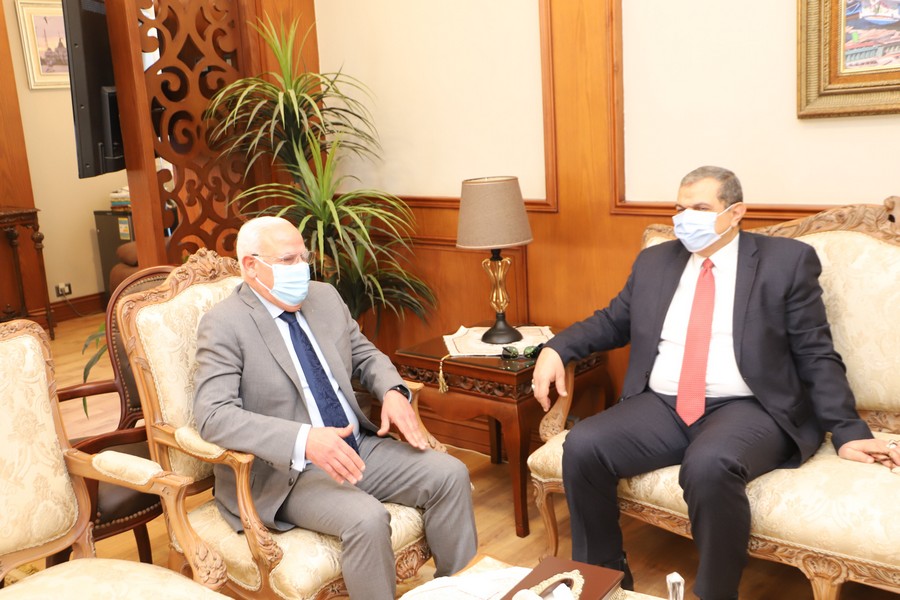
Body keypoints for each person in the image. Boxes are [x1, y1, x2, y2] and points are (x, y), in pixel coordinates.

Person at [530, 166, 900, 600]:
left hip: (750, 407)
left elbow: (815, 352)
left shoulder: (785, 262)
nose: (685, 219)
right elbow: (612, 321)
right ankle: (601, 578)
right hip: (663, 404)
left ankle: (715, 594)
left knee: (709, 464)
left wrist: (850, 431)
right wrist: (556, 348)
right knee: (583, 445)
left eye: (701, 208)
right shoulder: (655, 261)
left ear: (736, 212)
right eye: (679, 208)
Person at [193, 216, 477, 599]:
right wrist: (304, 440)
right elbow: (214, 415)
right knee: (367, 518)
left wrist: (393, 391)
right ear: (251, 266)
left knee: (450, 474)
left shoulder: (324, 297)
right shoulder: (224, 323)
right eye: (288, 260)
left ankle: (457, 591)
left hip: (357, 445)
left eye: (303, 258)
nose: (301, 269)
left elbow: (365, 355)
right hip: (288, 473)